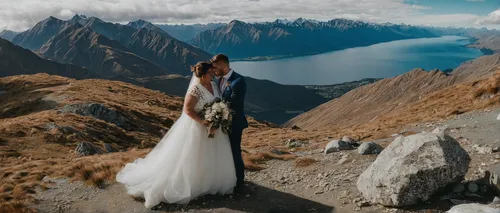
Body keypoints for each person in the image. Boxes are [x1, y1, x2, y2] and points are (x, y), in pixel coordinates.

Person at [116, 61, 236, 208]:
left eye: (213, 73)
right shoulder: (195, 90)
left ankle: (211, 182)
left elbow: (218, 103)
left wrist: (218, 118)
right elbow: (188, 110)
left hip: (214, 128)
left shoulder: (214, 85)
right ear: (202, 74)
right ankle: (192, 184)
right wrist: (204, 122)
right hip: (198, 128)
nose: (213, 75)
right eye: (210, 73)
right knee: (194, 157)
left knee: (213, 155)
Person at [211, 53, 248, 189]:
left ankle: (239, 182)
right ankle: (227, 179)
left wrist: (216, 115)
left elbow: (234, 105)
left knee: (234, 151)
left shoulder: (238, 81)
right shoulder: (219, 80)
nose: (213, 70)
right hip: (221, 123)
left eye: (215, 67)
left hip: (234, 123)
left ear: (223, 65)